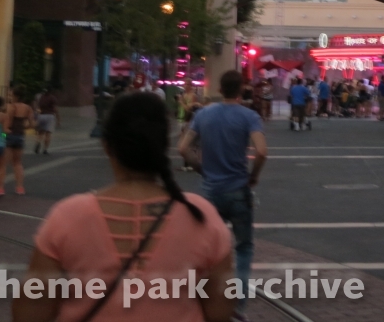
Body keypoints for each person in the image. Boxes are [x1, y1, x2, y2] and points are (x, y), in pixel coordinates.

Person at [12, 92, 234, 322]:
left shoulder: (67, 217)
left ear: (107, 147)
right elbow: (220, 312)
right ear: (163, 146)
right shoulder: (201, 216)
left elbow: (30, 313)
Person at [178, 70, 267, 314]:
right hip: (238, 188)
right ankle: (238, 305)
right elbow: (261, 151)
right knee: (244, 247)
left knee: (205, 247)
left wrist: (201, 168)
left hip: (210, 190)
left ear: (220, 88)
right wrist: (253, 176)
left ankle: (203, 298)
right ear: (241, 89)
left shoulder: (204, 114)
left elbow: (183, 147)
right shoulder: (249, 116)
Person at [5, 86, 35, 195]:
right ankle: (19, 187)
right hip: (20, 136)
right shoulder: (28, 108)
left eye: (11, 95)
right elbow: (32, 124)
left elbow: (7, 125)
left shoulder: (12, 107)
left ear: (15, 96)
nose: (10, 97)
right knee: (17, 163)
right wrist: (23, 128)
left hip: (10, 135)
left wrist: (3, 136)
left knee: (4, 163)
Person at [34, 87, 59, 155]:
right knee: (48, 134)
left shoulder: (40, 98)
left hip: (41, 116)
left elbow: (37, 106)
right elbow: (55, 109)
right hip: (50, 116)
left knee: (40, 132)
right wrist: (58, 118)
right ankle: (45, 149)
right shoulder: (52, 98)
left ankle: (38, 143)